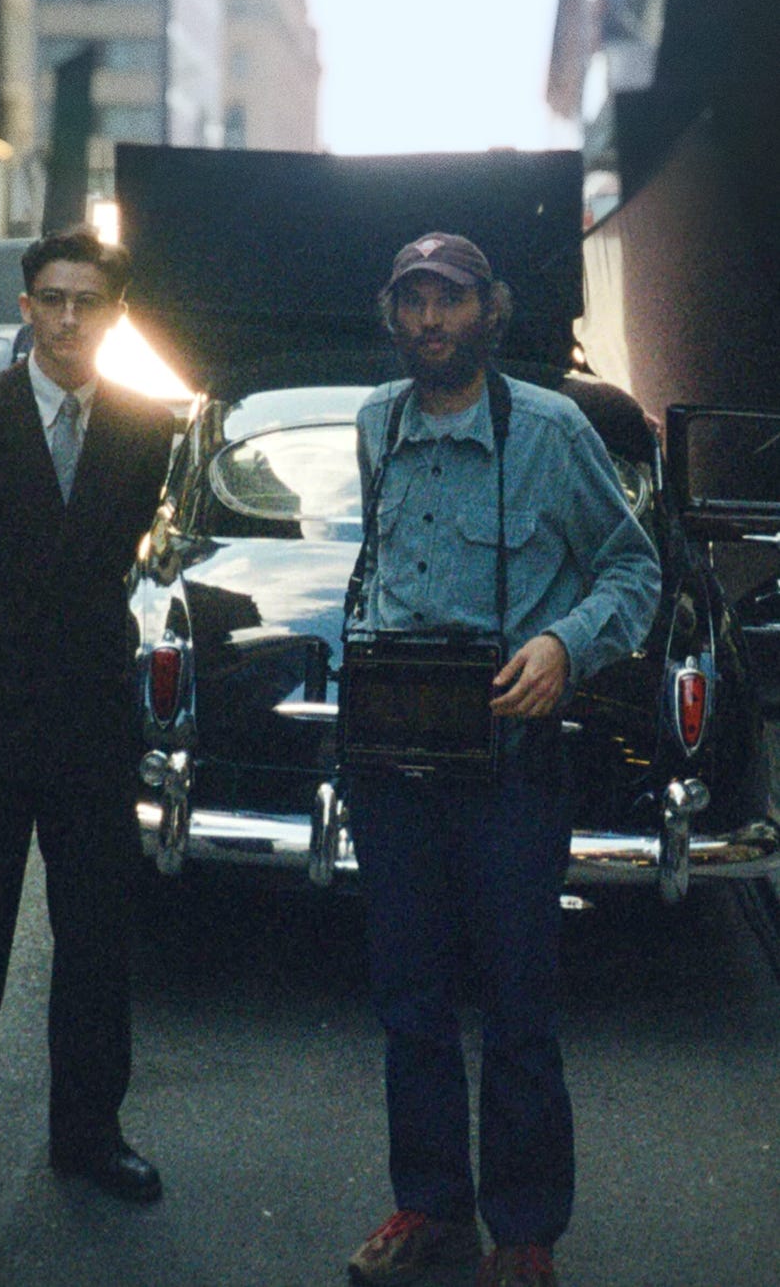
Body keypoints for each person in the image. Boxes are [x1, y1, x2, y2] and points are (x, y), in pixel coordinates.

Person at [344, 233, 662, 1287]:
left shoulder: (551, 429)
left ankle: (523, 1234)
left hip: (510, 765)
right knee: (409, 1002)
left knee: (518, 1007)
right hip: (394, 762)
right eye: (413, 301)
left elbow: (631, 569)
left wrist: (563, 647)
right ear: (392, 314)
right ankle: (429, 1209)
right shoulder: (375, 422)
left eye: (450, 299)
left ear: (491, 310)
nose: (430, 319)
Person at [0, 225, 175, 1275]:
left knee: (98, 943)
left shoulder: (146, 427)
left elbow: (110, 561)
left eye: (86, 302)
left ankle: (88, 1134)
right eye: (50, 300)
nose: (66, 319)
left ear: (114, 314)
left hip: (93, 726)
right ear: (25, 307)